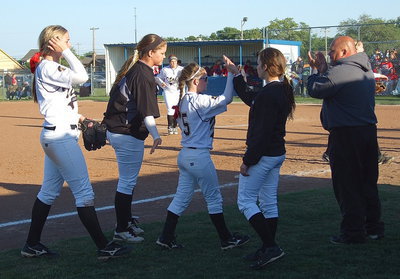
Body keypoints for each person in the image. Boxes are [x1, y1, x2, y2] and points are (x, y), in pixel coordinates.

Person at [21, 25, 131, 260]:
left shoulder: (49, 67)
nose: (69, 45)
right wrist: (67, 52)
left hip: (59, 134)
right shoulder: (48, 66)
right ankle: (104, 247)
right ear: (54, 42)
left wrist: (80, 118)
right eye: (65, 41)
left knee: (49, 192)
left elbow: (60, 104)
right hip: (60, 138)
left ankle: (31, 244)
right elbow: (82, 77)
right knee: (84, 193)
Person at [156, 57, 250, 250]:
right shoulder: (198, 100)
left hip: (185, 155)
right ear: (196, 81)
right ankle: (226, 239)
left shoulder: (183, 100)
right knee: (214, 198)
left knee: (181, 198)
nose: (207, 81)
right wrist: (231, 74)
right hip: (198, 157)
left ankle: (165, 237)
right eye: (205, 78)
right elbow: (227, 98)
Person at [307, 36, 384, 244]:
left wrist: (316, 71)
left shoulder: (341, 70)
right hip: (367, 133)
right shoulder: (364, 67)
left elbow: (315, 89)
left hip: (346, 135)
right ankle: (373, 227)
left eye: (332, 51)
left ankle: (353, 232)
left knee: (347, 185)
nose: (330, 54)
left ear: (343, 52)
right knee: (367, 183)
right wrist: (325, 71)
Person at [230, 48, 295, 270]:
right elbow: (252, 99)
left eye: (259, 63)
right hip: (276, 154)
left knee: (245, 201)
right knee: (268, 203)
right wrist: (237, 76)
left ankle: (271, 246)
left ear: (266, 66)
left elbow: (262, 134)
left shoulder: (270, 93)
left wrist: (248, 160)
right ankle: (269, 248)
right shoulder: (280, 89)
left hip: (265, 155)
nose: (256, 67)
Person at [103, 34, 166, 244]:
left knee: (127, 181)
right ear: (150, 53)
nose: (164, 56)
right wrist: (156, 135)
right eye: (161, 52)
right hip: (126, 132)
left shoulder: (140, 70)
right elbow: (146, 111)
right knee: (127, 182)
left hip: (121, 130)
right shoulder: (142, 73)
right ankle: (121, 228)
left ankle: (127, 221)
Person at [155, 54, 184, 135]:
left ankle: (175, 126)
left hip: (178, 92)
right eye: (171, 61)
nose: (173, 63)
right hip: (168, 91)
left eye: (174, 61)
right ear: (169, 62)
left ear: (177, 62)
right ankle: (170, 127)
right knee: (170, 109)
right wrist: (162, 83)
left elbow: (187, 77)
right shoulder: (165, 70)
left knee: (177, 109)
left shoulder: (181, 69)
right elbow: (157, 78)